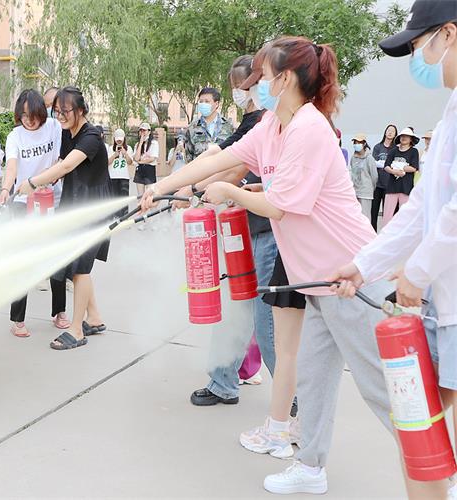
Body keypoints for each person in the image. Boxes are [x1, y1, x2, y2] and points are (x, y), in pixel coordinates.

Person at [142, 35, 414, 496]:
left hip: (352, 279)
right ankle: (310, 467)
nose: (257, 87)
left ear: (285, 79)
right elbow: (223, 158)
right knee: (314, 380)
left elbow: (281, 207)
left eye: (264, 77)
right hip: (316, 281)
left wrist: (230, 192)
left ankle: (437, 470)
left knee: (382, 388)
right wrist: (162, 186)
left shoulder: (310, 129)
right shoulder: (273, 125)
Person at [331, 3, 457, 497]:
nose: (418, 59)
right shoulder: (449, 114)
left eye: (419, 45)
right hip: (443, 307)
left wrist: (416, 273)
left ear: (449, 34)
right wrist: (364, 266)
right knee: (417, 429)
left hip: (448, 301)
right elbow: (423, 208)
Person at [174, 54, 282, 416]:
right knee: (234, 309)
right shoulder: (251, 122)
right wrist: (181, 186)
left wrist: (194, 188)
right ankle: (222, 382)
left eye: (245, 84)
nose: (240, 91)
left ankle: (294, 399)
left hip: (267, 230)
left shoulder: (270, 122)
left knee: (266, 323)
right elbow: (218, 160)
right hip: (242, 227)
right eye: (236, 85)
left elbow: (235, 170)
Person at [18, 87, 111, 351]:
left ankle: (76, 329)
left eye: (65, 111)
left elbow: (68, 165)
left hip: (92, 207)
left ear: (81, 110)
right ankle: (94, 317)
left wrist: (33, 182)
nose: (59, 116)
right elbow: (61, 164)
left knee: (80, 269)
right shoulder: (68, 134)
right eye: (56, 111)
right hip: (74, 203)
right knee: (74, 265)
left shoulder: (91, 136)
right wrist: (45, 179)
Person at [0, 89, 68, 338]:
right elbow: (12, 167)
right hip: (23, 202)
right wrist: (6, 189)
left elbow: (62, 159)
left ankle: (59, 312)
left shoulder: (54, 127)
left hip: (52, 201)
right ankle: (18, 320)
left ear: (42, 111)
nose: (29, 120)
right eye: (24, 115)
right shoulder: (15, 136)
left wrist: (49, 178)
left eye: (33, 115)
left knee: (56, 259)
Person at [382, 127, 420, 227]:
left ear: (411, 139)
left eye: (407, 136)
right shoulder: (393, 151)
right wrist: (393, 171)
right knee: (387, 215)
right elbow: (386, 166)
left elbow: (414, 168)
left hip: (406, 188)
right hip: (392, 187)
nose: (404, 138)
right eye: (402, 136)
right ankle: (385, 234)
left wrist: (399, 166)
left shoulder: (414, 151)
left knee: (405, 216)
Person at [187, 87, 234, 162]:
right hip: (200, 168)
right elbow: (188, 156)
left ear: (216, 104)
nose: (203, 104)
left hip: (223, 168)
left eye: (207, 101)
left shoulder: (228, 126)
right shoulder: (192, 127)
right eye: (201, 101)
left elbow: (233, 152)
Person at [371, 124, 398, 230]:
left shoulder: (395, 149)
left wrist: (382, 164)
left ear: (395, 134)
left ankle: (385, 234)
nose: (390, 132)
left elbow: (394, 164)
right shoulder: (378, 147)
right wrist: (386, 165)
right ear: (385, 132)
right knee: (374, 211)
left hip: (389, 185)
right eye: (388, 130)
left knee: (387, 213)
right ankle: (372, 233)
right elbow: (373, 163)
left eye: (393, 131)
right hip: (377, 184)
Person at [349, 133, 378, 219]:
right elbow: (352, 172)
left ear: (364, 143)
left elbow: (374, 176)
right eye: (355, 142)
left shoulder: (369, 158)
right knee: (355, 216)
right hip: (355, 191)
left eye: (359, 142)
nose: (356, 144)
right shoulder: (353, 158)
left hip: (366, 192)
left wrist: (371, 188)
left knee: (365, 216)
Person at [107, 128, 133, 218]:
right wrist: (115, 155)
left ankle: (124, 217)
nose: (119, 141)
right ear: (114, 139)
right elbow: (107, 162)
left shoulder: (128, 148)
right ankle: (114, 217)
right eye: (117, 139)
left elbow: (130, 162)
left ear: (124, 139)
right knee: (113, 199)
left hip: (124, 177)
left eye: (120, 139)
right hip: (113, 177)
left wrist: (125, 153)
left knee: (124, 198)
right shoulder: (110, 148)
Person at [132, 122, 158, 197]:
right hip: (140, 170)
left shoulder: (154, 143)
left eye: (144, 130)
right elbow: (136, 158)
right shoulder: (137, 145)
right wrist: (140, 143)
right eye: (141, 130)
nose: (142, 132)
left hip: (149, 169)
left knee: (149, 195)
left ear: (149, 132)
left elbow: (152, 158)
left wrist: (140, 161)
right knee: (140, 196)